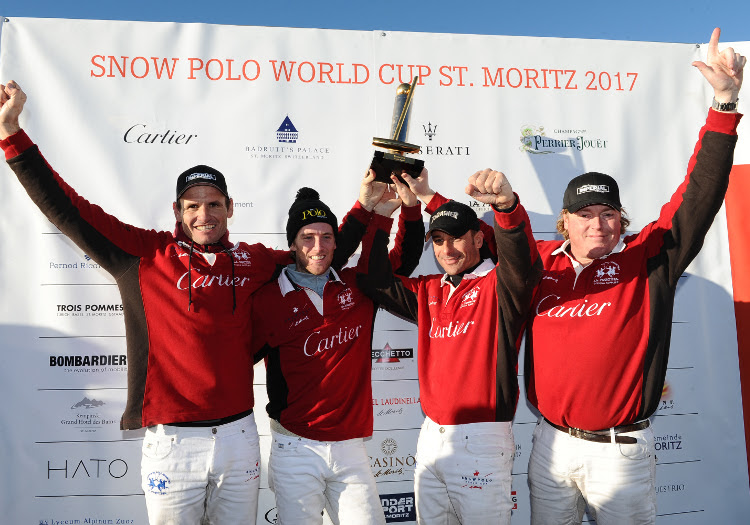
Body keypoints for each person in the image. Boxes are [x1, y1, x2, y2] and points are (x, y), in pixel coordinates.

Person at [0, 80, 391, 524]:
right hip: (173, 444)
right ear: (177, 211)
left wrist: (364, 207)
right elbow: (69, 211)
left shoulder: (255, 261)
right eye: (192, 206)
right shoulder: (144, 255)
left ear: (230, 208)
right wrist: (12, 135)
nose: (204, 215)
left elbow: (319, 252)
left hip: (239, 436)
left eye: (214, 204)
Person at [519, 28, 744, 524]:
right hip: (550, 446)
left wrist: (724, 106)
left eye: (608, 214)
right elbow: (472, 239)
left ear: (621, 220)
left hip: (618, 454)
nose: (598, 224)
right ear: (564, 222)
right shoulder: (540, 264)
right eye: (585, 214)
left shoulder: (649, 258)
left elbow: (699, 193)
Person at [358, 168, 543, 524]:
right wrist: (389, 215)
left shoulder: (501, 285)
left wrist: (506, 207)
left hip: (482, 440)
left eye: (457, 238)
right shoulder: (428, 289)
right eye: (439, 240)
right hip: (431, 438)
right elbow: (372, 279)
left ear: (479, 238)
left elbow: (521, 258)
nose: (447, 249)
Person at [251, 179, 424, 525]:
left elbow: (402, 261)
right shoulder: (267, 299)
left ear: (336, 242)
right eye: (307, 237)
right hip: (294, 447)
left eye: (327, 237)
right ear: (292, 244)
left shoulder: (358, 284)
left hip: (350, 449)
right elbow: (234, 357)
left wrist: (403, 211)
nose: (318, 247)